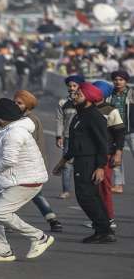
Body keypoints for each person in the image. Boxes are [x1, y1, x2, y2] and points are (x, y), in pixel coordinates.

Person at [0, 98, 54, 262]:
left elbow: (9, 161)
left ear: (3, 117)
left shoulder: (14, 133)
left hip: (25, 181)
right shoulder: (9, 129)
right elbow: (9, 159)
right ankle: (2, 252)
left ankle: (39, 237)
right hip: (9, 179)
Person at [53, 83, 114, 243]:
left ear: (89, 98)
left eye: (79, 94)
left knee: (86, 196)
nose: (75, 96)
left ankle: (103, 230)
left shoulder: (94, 116)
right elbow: (74, 144)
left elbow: (103, 144)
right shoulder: (79, 116)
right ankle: (103, 230)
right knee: (90, 196)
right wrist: (63, 161)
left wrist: (101, 167)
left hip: (90, 161)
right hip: (80, 160)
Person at [13, 90, 63, 233]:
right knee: (34, 194)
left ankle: (6, 220)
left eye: (20, 103)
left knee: (11, 193)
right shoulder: (20, 118)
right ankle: (52, 219)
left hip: (30, 163)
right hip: (27, 163)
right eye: (15, 102)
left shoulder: (29, 121)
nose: (16, 105)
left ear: (28, 105)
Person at [92, 80, 124, 230]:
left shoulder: (111, 111)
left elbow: (119, 134)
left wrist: (118, 153)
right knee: (91, 188)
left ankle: (109, 218)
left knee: (104, 187)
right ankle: (98, 218)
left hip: (105, 154)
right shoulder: (86, 109)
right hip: (89, 155)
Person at [55, 74, 82, 199]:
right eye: (70, 86)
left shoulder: (85, 101)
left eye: (74, 86)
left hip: (83, 138)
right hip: (68, 137)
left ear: (79, 86)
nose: (72, 88)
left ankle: (83, 190)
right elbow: (59, 120)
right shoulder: (63, 102)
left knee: (82, 164)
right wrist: (58, 136)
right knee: (66, 164)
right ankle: (66, 190)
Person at [107, 70, 133, 194]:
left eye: (121, 79)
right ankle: (118, 184)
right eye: (116, 79)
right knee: (116, 158)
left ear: (126, 81)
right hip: (115, 131)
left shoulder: (131, 94)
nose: (118, 82)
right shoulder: (109, 95)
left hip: (130, 130)